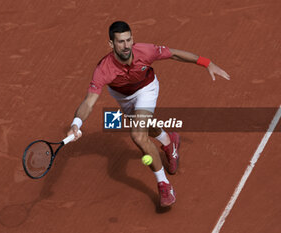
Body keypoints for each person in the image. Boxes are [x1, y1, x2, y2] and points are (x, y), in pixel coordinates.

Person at [67, 21, 230, 207]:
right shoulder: (103, 69)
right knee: (146, 128)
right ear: (111, 44)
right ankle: (169, 142)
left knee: (138, 134)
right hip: (123, 97)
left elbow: (174, 54)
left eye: (129, 40)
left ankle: (164, 185)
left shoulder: (145, 51)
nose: (126, 45)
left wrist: (206, 63)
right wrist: (76, 124)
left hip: (146, 89)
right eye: (120, 42)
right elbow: (89, 102)